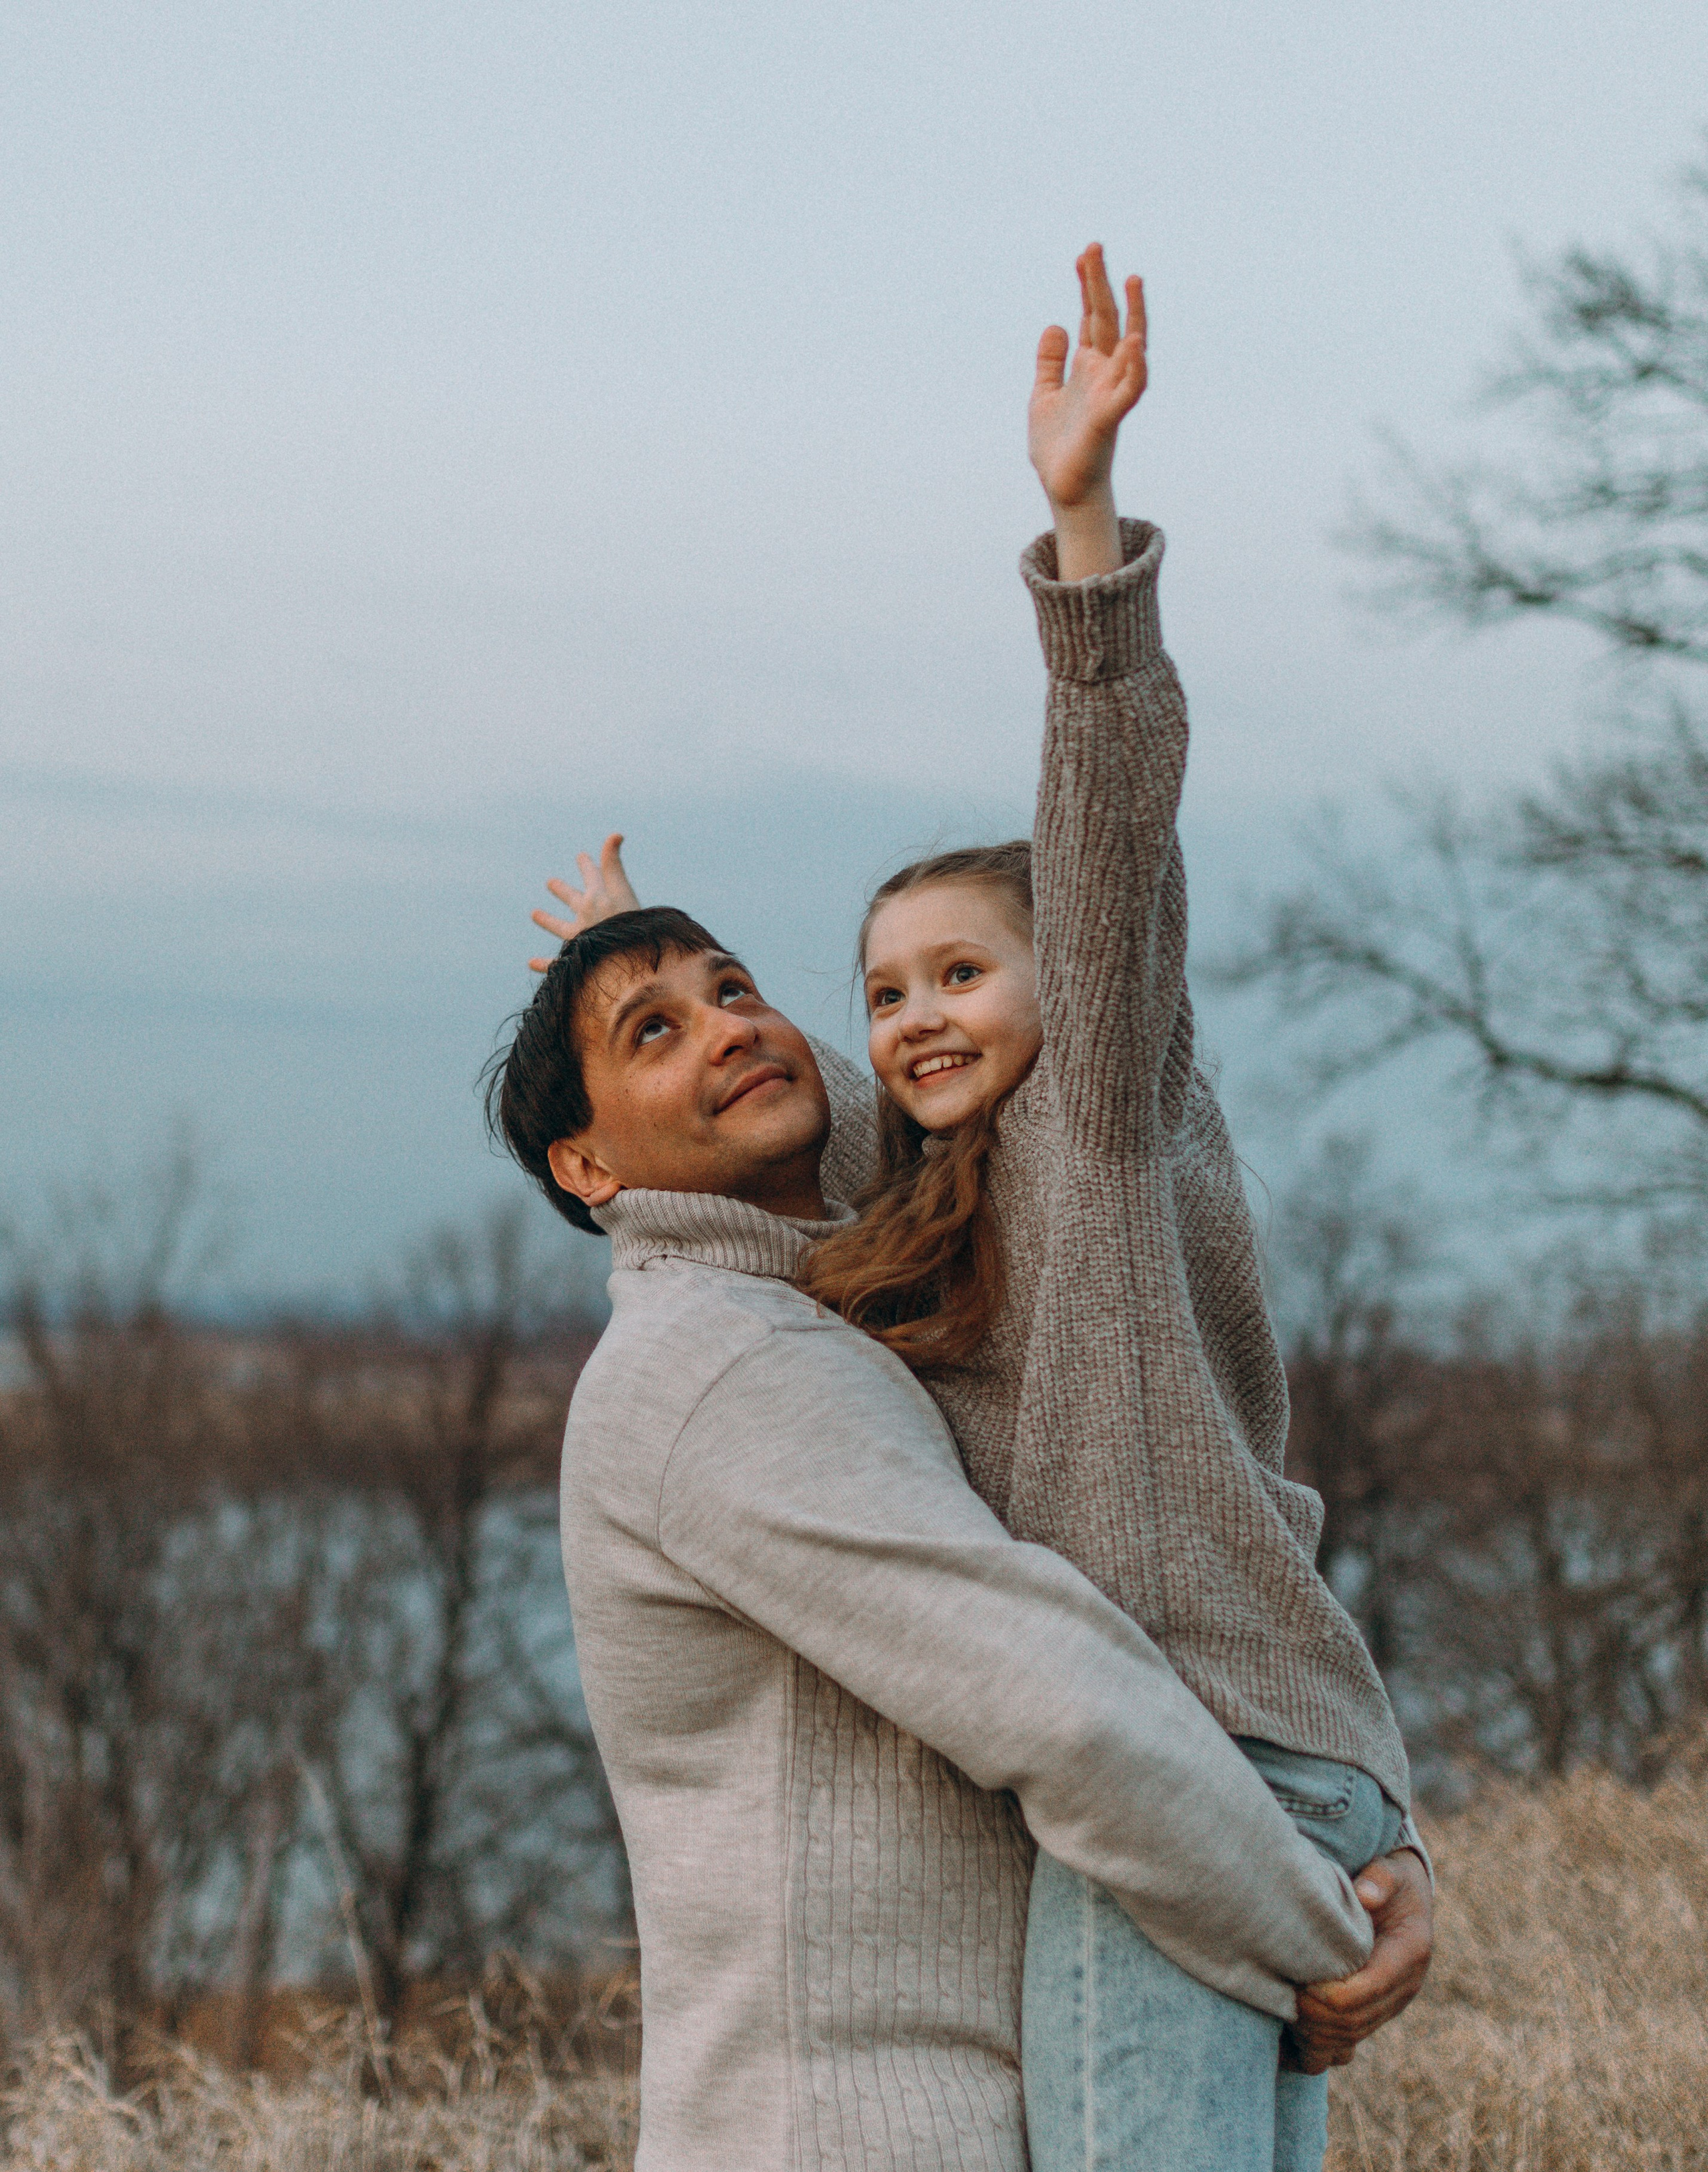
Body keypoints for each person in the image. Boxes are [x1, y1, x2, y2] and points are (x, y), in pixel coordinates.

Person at [528, 248, 1432, 2172]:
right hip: (1197, 1816)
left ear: (1072, 993)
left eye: (965, 976)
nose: (888, 1027)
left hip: (1214, 1774)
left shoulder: (1086, 1128)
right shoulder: (792, 1305)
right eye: (877, 991)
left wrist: (1085, 536)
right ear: (586, 1169)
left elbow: (1098, 854)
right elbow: (815, 1128)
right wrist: (1333, 1906)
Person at [486, 902, 1418, 2172]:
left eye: (738, 988)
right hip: (848, 2133)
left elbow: (900, 1118)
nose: (734, 1030)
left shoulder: (815, 1313)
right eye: (659, 1032)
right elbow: (1062, 1701)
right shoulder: (722, 1369)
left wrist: (1380, 1843)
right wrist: (1330, 1931)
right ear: (586, 1170)